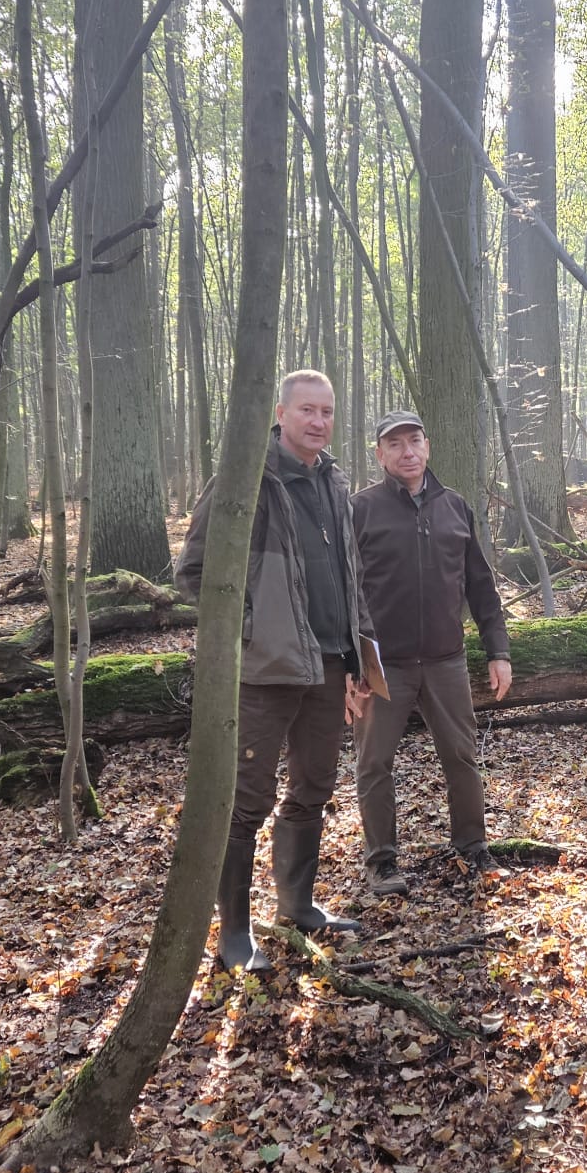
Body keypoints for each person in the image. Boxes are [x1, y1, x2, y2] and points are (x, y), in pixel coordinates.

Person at [175, 369, 372, 971]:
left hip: (330, 664)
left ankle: (298, 905)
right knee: (246, 799)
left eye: (328, 411)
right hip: (264, 670)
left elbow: (349, 577)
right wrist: (252, 628)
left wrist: (360, 657)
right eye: (307, 410)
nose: (318, 421)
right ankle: (235, 934)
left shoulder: (335, 483)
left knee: (313, 787)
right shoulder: (244, 482)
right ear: (281, 413)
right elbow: (193, 575)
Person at [350, 410, 512, 895]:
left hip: (446, 660)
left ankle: (472, 845)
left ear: (428, 445)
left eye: (415, 441)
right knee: (374, 762)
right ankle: (381, 861)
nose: (407, 451)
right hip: (383, 664)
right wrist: (350, 659)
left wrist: (498, 651)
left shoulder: (454, 507)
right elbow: (346, 590)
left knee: (461, 756)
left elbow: (481, 586)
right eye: (395, 444)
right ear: (379, 454)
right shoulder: (360, 509)